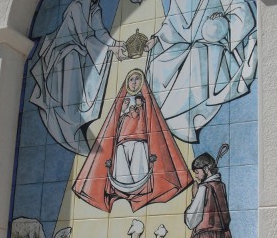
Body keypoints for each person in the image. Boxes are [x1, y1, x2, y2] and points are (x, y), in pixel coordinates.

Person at [145, 0, 257, 142]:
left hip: (212, 46)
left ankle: (183, 116)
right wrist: (156, 39)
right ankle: (165, 116)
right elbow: (170, 26)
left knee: (196, 57)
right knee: (158, 65)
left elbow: (240, 9)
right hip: (183, 46)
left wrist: (224, 20)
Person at [30, 0, 126, 155]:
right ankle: (69, 124)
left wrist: (115, 44)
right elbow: (84, 37)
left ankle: (75, 122)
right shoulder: (76, 7)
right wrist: (109, 48)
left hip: (81, 50)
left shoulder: (95, 9)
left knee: (94, 64)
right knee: (70, 86)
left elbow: (100, 32)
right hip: (63, 51)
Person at [73, 69, 192, 212]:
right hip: (122, 142)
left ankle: (139, 191)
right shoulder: (122, 101)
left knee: (138, 167)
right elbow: (112, 125)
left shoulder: (146, 100)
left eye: (137, 79)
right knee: (122, 170)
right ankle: (123, 190)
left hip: (140, 140)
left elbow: (152, 122)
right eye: (131, 79)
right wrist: (123, 110)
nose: (134, 82)